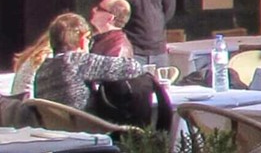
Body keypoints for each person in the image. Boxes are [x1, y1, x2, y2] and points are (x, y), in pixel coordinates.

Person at [31, 13, 166, 128]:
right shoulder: (77, 61)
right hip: (89, 130)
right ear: (83, 39)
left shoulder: (43, 68)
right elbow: (132, 67)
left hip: (57, 133)